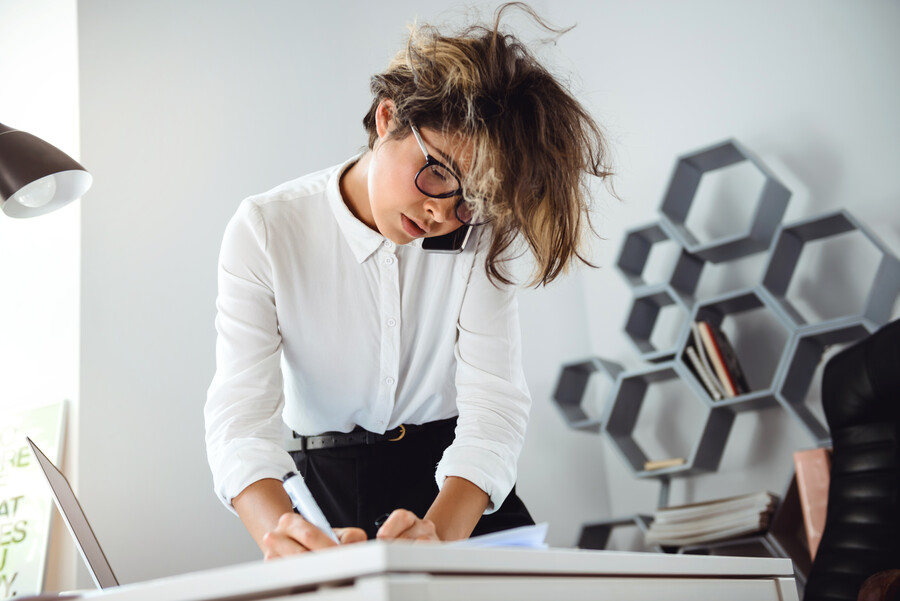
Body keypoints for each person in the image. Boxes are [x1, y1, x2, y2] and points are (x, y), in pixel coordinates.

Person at [204, 2, 613, 558]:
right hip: (325, 478)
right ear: (387, 118)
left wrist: (438, 534)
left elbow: (494, 406)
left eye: (472, 197)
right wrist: (283, 535)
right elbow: (239, 422)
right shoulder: (266, 228)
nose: (443, 212)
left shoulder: (476, 232)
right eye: (438, 171)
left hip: (455, 478)